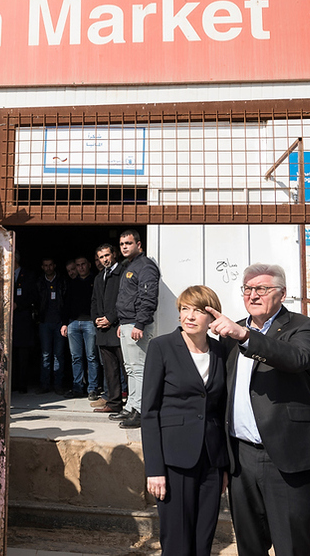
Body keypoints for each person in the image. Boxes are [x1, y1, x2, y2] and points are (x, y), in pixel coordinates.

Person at [207, 263, 310, 556]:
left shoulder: (304, 327)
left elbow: (297, 358)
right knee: (249, 545)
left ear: (282, 294)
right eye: (248, 289)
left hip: (288, 457)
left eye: (262, 289)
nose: (253, 295)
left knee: (293, 545)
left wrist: (246, 336)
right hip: (242, 459)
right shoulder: (230, 333)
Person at [143, 285, 229, 556]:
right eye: (184, 309)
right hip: (174, 460)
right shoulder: (161, 347)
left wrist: (225, 465)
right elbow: (149, 411)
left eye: (198, 311)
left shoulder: (221, 351)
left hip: (212, 460)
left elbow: (223, 410)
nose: (189, 316)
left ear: (212, 316)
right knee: (178, 541)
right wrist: (154, 468)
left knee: (203, 540)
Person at [114, 229, 160, 429]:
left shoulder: (146, 266)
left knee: (139, 369)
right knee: (130, 368)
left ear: (139, 245)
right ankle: (131, 406)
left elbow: (148, 297)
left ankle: (141, 411)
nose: (124, 246)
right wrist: (122, 323)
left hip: (136, 323)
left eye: (128, 243)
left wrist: (139, 323)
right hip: (127, 323)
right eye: (122, 244)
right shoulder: (130, 266)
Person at [89, 244, 124, 414]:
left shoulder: (123, 272)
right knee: (110, 370)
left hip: (118, 328)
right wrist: (96, 319)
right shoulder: (99, 277)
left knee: (127, 369)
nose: (104, 259)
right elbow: (94, 301)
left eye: (107, 255)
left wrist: (111, 318)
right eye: (101, 257)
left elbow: (125, 299)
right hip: (102, 330)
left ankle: (133, 405)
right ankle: (114, 403)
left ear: (114, 254)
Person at [61, 256, 101, 400]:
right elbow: (66, 304)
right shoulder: (72, 283)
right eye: (78, 265)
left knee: (91, 357)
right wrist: (64, 323)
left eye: (83, 264)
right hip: (73, 323)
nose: (81, 267)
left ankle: (92, 388)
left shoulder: (95, 281)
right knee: (76, 357)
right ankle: (77, 387)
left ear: (89, 265)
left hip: (90, 322)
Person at [37, 257, 68, 394]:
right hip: (44, 322)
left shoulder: (62, 281)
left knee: (59, 354)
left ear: (54, 266)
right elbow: (35, 300)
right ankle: (44, 384)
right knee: (45, 354)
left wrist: (65, 321)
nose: (48, 268)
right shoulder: (39, 282)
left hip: (59, 322)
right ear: (42, 267)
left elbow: (66, 301)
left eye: (50, 265)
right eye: (45, 265)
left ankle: (58, 384)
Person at [11, 254, 39, 393]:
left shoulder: (28, 275)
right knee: (11, 354)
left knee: (23, 354)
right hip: (9, 321)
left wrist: (18, 304)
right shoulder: (5, 274)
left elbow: (33, 296)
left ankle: (22, 384)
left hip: (23, 320)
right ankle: (12, 383)